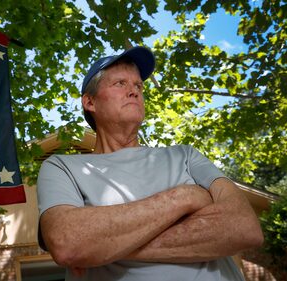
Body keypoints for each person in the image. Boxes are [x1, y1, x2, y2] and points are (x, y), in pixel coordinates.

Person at [37, 46, 263, 281]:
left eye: (138, 86)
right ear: (90, 102)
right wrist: (185, 197)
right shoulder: (61, 167)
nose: (134, 91)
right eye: (120, 84)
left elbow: (244, 227)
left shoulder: (184, 155)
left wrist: (104, 246)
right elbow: (68, 242)